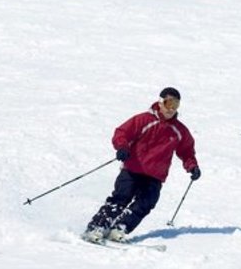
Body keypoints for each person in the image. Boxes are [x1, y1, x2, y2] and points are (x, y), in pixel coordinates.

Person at [83, 87, 201, 243]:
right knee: (120, 198)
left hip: (155, 176)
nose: (171, 109)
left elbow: (186, 151)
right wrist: (122, 147)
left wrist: (192, 166)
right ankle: (96, 227)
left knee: (146, 203)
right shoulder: (144, 120)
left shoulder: (179, 130)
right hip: (133, 169)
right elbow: (122, 133)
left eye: (176, 105)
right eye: (169, 103)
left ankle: (120, 228)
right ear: (160, 102)